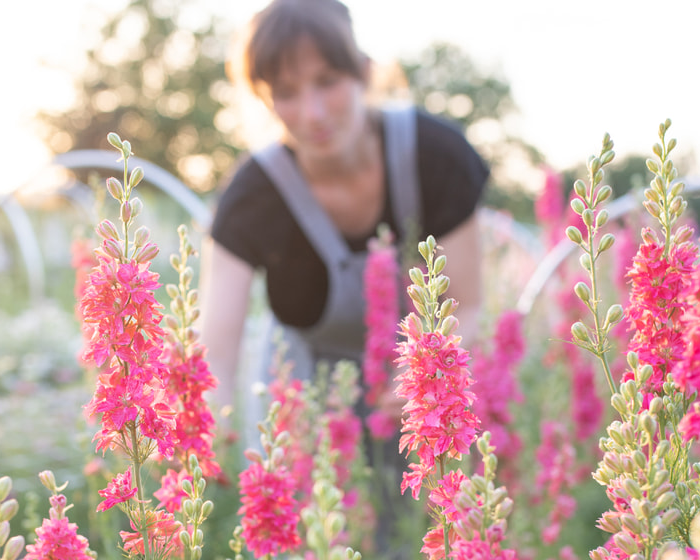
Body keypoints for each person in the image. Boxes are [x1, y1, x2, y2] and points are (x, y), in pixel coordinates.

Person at [199, 0, 491, 434]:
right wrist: (209, 443)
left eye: (327, 81)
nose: (312, 113)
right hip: (305, 422)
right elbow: (215, 358)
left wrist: (429, 376)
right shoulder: (252, 197)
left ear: (364, 72)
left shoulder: (437, 158)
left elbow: (469, 308)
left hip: (425, 412)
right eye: (286, 92)